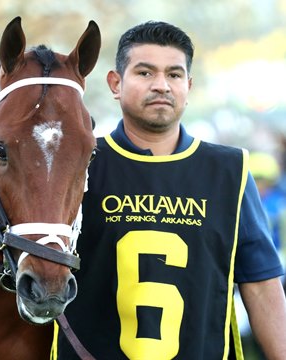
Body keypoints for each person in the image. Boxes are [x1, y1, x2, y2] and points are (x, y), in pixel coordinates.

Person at [51, 21, 286, 360]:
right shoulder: (79, 166)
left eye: (174, 75)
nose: (161, 85)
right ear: (115, 83)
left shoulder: (230, 171)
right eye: (145, 73)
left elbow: (262, 287)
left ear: (188, 86)